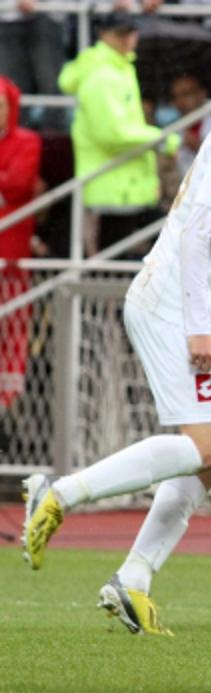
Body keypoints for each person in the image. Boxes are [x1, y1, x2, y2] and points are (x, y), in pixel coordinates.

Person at [21, 42, 211, 635]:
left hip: (175, 301)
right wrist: (196, 326)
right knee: (209, 449)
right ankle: (59, 493)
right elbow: (195, 236)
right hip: (169, 304)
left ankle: (134, 578)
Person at [57, 12, 169, 257]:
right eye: (121, 33)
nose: (129, 39)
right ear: (103, 35)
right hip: (113, 186)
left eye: (131, 32)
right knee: (115, 262)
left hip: (124, 184)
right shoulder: (102, 75)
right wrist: (159, 139)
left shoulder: (117, 68)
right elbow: (111, 134)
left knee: (126, 258)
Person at [0, 74, 42, 456]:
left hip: (11, 259)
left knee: (13, 333)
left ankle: (8, 403)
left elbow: (17, 183)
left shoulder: (28, 141)